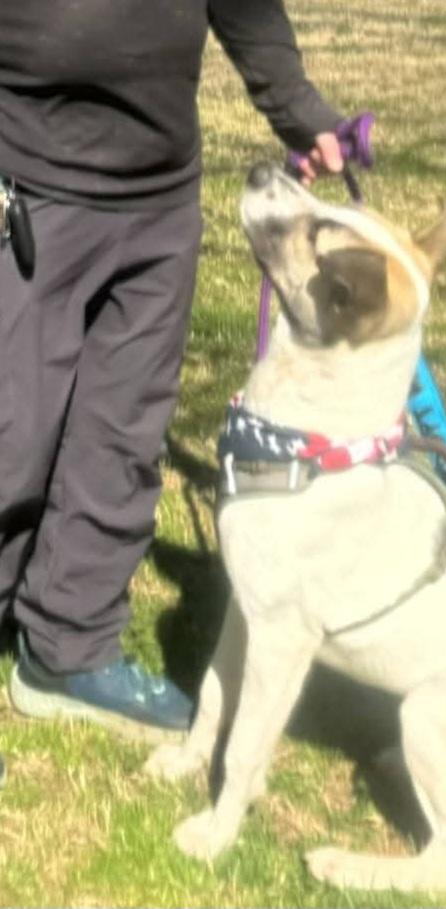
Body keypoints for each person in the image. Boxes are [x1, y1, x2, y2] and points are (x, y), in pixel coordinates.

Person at [0, 0, 344, 737]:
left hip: (157, 200)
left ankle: (69, 643)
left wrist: (297, 106)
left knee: (122, 429)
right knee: (10, 427)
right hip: (25, 185)